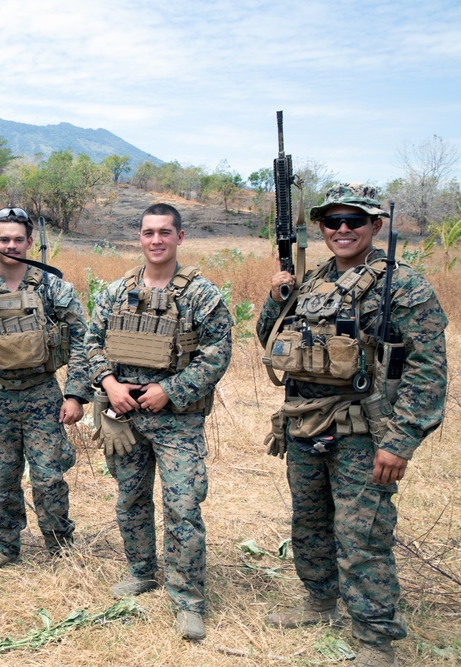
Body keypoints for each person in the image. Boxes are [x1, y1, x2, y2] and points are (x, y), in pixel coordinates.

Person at [258, 183, 447, 667]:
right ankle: (320, 599)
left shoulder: (402, 285)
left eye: (354, 221)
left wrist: (401, 441)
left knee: (363, 532)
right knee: (310, 520)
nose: (342, 230)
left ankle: (375, 637)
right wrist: (276, 297)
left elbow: (427, 370)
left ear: (375, 225)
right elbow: (272, 341)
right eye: (332, 221)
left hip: (364, 432)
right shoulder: (310, 279)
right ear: (321, 227)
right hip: (302, 424)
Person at [85, 202, 232, 642]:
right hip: (123, 416)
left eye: (165, 232)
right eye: (148, 232)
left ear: (179, 238)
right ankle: (142, 572)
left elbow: (217, 353)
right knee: (131, 500)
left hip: (176, 422)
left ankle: (187, 598)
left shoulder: (201, 295)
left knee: (183, 507)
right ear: (140, 237)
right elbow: (91, 342)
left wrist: (171, 389)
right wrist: (109, 383)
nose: (156, 240)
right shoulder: (115, 293)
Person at [0, 207, 89, 569]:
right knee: (1, 475)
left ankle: (59, 544)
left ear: (29, 242)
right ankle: (7, 544)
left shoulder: (53, 287)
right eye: (4, 239)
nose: (11, 245)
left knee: (48, 477)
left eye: (18, 239)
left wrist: (75, 394)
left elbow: (82, 343)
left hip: (43, 394)